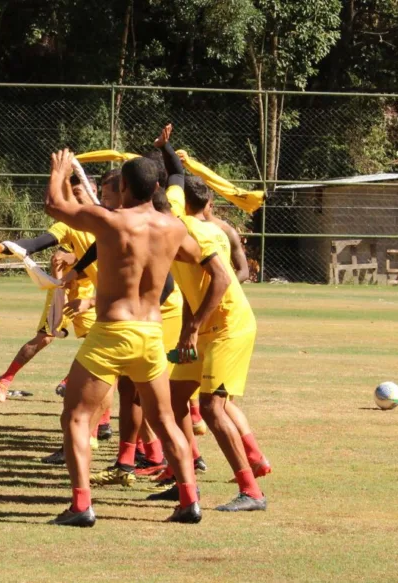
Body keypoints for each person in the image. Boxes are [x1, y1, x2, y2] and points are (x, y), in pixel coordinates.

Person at [44, 149, 204, 527]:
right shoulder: (173, 227)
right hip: (150, 332)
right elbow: (196, 255)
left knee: (76, 417)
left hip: (113, 332)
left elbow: (55, 205)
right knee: (165, 420)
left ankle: (82, 505)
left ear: (126, 186)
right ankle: (189, 501)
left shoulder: (111, 222)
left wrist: (60, 171)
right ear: (158, 187)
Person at [168, 176, 269, 512]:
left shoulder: (196, 233)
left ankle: (251, 491)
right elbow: (188, 291)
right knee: (174, 399)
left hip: (229, 327)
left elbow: (224, 279)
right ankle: (184, 481)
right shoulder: (171, 237)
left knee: (212, 407)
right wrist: (187, 332)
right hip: (203, 327)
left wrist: (194, 326)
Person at [0, 180, 99, 403]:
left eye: (81, 193)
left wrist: (75, 262)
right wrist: (5, 248)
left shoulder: (107, 220)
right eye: (73, 193)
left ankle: (71, 383)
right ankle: (5, 380)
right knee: (44, 339)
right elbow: (53, 254)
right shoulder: (70, 224)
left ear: (95, 192)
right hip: (65, 288)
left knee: (100, 342)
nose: (77, 199)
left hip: (89, 292)